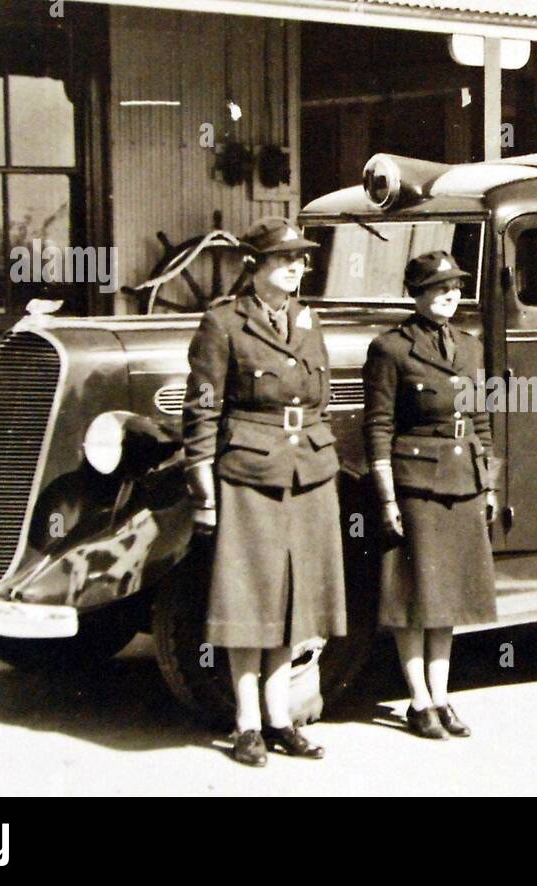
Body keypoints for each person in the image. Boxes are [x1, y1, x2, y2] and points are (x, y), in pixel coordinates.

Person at [182, 217, 347, 766]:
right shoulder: (223, 322)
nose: (299, 268)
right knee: (249, 597)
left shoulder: (307, 318)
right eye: (286, 259)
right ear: (254, 267)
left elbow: (317, 398)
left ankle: (281, 718)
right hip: (250, 470)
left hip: (309, 470)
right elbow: (204, 402)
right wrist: (201, 468)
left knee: (293, 599)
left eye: (302, 259)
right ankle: (247, 723)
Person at [362, 250, 499, 740]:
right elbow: (378, 425)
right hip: (415, 481)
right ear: (416, 295)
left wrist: (489, 483)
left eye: (456, 288)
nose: (450, 296)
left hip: (463, 479)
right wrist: (387, 498)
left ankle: (442, 696)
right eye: (439, 289)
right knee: (415, 593)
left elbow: (481, 418)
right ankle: (417, 700)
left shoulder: (470, 345)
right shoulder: (390, 349)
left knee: (448, 597)